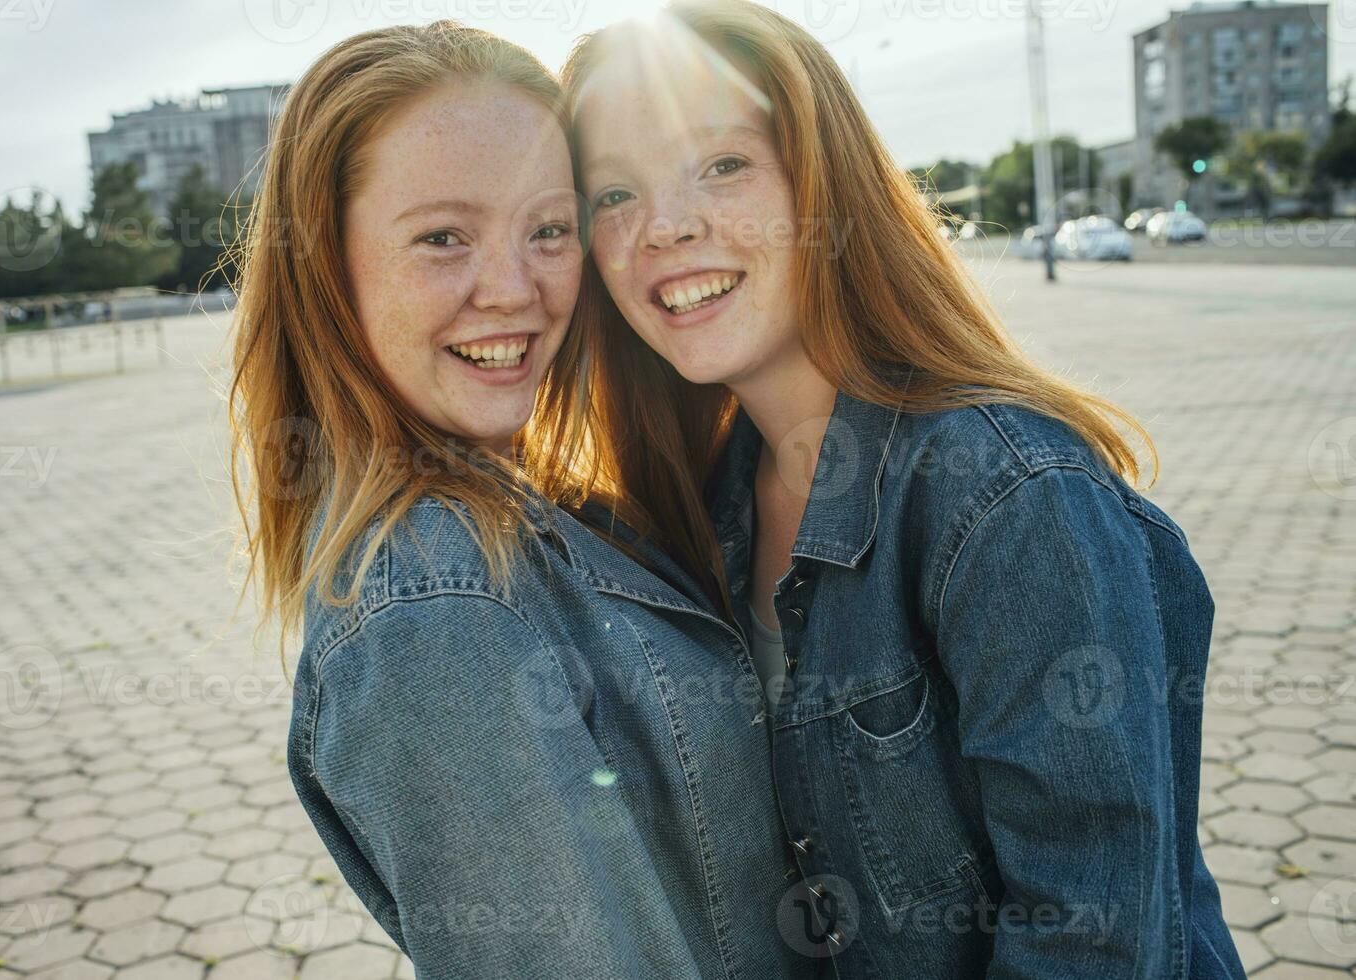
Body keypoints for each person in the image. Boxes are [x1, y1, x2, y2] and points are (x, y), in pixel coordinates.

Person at [562, 2, 1245, 976]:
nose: (663, 226)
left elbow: (1093, 940)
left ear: (821, 186)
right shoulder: (707, 501)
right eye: (614, 193)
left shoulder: (1009, 498)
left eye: (720, 165)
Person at [229, 21, 822, 980]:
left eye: (548, 230)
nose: (513, 289)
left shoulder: (536, 513)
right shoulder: (436, 611)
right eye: (442, 237)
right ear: (323, 265)